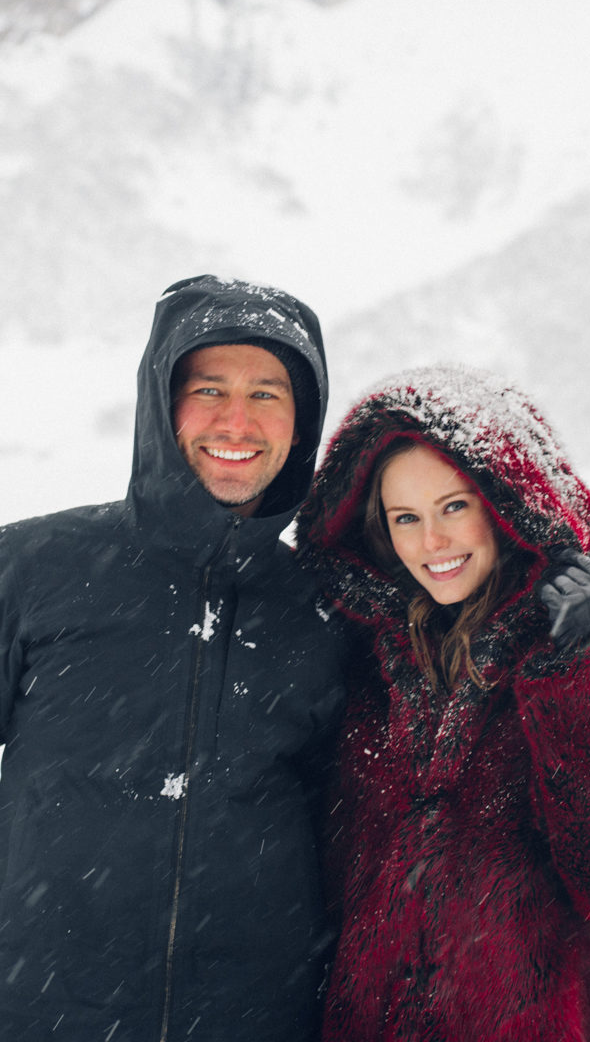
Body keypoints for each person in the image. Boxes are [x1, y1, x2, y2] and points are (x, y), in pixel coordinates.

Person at [297, 364, 590, 1042]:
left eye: (454, 505)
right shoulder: (361, 666)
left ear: (511, 503)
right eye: (406, 517)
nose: (433, 543)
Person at [0, 274, 345, 1042]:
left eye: (268, 394)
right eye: (209, 388)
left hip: (256, 1020)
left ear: (301, 422)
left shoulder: (327, 612)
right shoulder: (35, 567)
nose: (237, 420)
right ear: (163, 406)